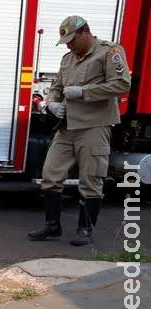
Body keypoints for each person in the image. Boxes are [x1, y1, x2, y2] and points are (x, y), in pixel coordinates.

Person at [28, 16, 131, 246]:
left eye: (71, 40)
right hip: (66, 128)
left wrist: (84, 92)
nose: (68, 45)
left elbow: (122, 84)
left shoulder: (109, 52)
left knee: (91, 180)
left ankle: (85, 230)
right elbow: (57, 88)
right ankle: (52, 226)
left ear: (85, 32)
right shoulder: (68, 59)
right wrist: (52, 103)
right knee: (50, 176)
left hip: (94, 127)